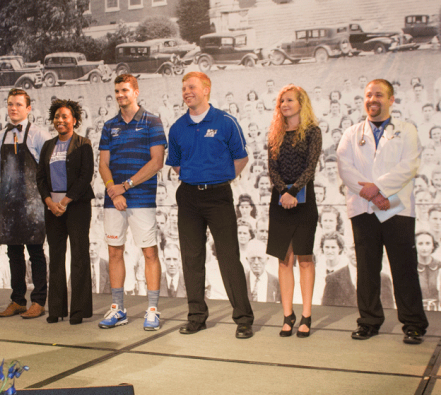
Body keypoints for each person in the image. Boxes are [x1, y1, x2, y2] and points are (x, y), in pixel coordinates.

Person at [336, 79, 428, 345]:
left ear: (391, 100)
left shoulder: (406, 130)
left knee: (404, 268)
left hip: (396, 208)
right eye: (368, 95)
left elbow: (409, 166)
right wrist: (373, 194)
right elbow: (344, 167)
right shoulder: (352, 133)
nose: (372, 99)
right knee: (366, 268)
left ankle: (413, 324)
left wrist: (380, 189)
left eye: (378, 95)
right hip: (364, 209)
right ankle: (368, 322)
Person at [166, 71, 255, 338]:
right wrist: (196, 179)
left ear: (206, 89)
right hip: (189, 198)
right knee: (192, 258)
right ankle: (196, 317)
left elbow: (241, 158)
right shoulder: (177, 127)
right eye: (184, 88)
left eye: (192, 87)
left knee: (228, 258)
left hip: (218, 197)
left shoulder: (226, 121)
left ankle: (243, 318)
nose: (186, 92)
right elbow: (176, 165)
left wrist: (220, 178)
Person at [97, 74, 167, 331]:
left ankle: (152, 310)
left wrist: (125, 186)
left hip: (142, 199)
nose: (120, 95)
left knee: (149, 253)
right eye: (117, 91)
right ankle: (118, 309)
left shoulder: (152, 121)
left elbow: (157, 162)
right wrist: (114, 192)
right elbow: (103, 164)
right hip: (114, 201)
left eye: (124, 90)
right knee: (114, 252)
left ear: (136, 92)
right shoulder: (109, 126)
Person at [265, 84, 321, 337]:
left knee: (305, 259)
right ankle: (288, 316)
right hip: (279, 202)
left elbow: (311, 167)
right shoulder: (275, 133)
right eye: (281, 101)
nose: (284, 105)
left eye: (289, 100)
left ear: (301, 103)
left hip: (304, 201)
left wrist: (294, 191)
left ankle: (306, 315)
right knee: (284, 259)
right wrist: (283, 192)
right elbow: (272, 169)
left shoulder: (312, 132)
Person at [36, 99, 95, 325]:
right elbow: (40, 177)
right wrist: (50, 202)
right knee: (56, 257)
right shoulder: (48, 146)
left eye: (65, 117)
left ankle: (79, 310)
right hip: (53, 209)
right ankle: (56, 308)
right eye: (57, 117)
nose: (60, 120)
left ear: (75, 120)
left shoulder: (83, 144)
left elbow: (85, 176)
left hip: (77, 206)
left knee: (79, 256)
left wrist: (65, 201)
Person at [0, 89, 49, 320]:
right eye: (10, 104)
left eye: (18, 104)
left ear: (28, 108)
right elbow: (0, 170)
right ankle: (17, 300)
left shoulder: (39, 135)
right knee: (13, 253)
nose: (13, 108)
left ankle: (39, 301)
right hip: (9, 203)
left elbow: (46, 169)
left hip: (33, 203)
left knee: (36, 252)